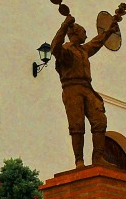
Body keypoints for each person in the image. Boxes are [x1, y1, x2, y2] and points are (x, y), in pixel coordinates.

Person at [51, 14, 120, 168]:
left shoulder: (83, 50)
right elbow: (54, 47)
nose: (86, 35)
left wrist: (109, 31)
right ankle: (79, 160)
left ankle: (98, 157)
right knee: (77, 124)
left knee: (100, 120)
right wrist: (64, 26)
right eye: (83, 32)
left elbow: (97, 42)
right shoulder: (66, 50)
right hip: (72, 88)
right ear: (75, 33)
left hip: (87, 88)